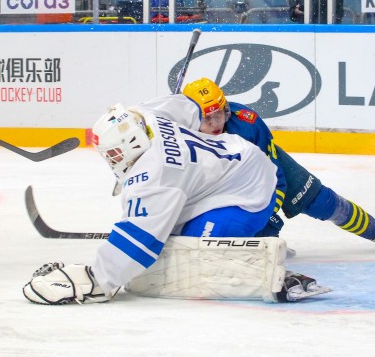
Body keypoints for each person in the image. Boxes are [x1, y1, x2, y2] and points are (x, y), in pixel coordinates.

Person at [23, 104, 329, 305]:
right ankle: (250, 235)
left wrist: (97, 279)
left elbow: (139, 243)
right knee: (168, 231)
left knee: (188, 247)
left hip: (249, 189)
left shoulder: (156, 174)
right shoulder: (146, 115)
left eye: (114, 154)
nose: (111, 161)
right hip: (232, 162)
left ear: (132, 145)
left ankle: (270, 267)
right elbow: (189, 107)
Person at [182, 77, 375, 243]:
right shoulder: (177, 133)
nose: (215, 124)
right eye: (207, 119)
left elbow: (275, 176)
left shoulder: (247, 125)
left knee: (322, 202)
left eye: (219, 114)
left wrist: (264, 213)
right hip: (222, 186)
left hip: (265, 175)